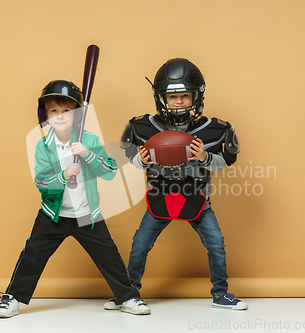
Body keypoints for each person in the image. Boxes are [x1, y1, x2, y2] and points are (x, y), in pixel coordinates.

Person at [0, 80, 150, 318]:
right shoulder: (43, 147)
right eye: (53, 110)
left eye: (67, 111)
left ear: (78, 115)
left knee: (109, 256)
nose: (60, 116)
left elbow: (109, 171)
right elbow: (42, 182)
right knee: (32, 255)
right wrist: (63, 174)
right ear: (45, 115)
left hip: (88, 214)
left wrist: (87, 155)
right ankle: (12, 298)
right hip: (53, 214)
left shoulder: (88, 141)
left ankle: (128, 297)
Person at [104, 58, 247, 310]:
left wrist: (204, 157)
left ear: (197, 96)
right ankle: (128, 292)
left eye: (185, 95)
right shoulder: (143, 127)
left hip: (197, 199)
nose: (179, 102)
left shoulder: (213, 130)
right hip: (160, 197)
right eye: (173, 97)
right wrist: (141, 160)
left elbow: (224, 162)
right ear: (161, 99)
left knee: (216, 244)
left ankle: (221, 293)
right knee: (140, 245)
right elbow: (129, 161)